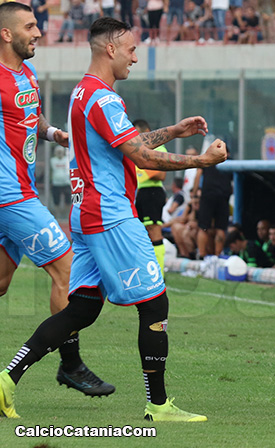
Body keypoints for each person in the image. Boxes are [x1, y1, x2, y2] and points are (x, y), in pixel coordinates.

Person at [0, 17, 228, 421]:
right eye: (131, 50)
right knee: (155, 304)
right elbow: (142, 157)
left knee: (81, 310)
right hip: (111, 216)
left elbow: (130, 143)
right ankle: (159, 405)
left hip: (86, 214)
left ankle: (6, 379)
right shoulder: (103, 99)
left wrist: (173, 131)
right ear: (110, 49)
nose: (135, 58)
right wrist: (202, 161)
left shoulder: (82, 93)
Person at [0, 2, 115, 407]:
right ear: (6, 33)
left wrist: (53, 134)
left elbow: (31, 116)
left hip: (18, 191)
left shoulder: (25, 72)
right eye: (30, 26)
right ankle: (71, 363)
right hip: (11, 196)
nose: (39, 32)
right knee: (68, 270)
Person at [133, 119, 169, 274]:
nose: (136, 137)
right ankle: (146, 271)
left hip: (152, 192)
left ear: (147, 131)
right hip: (141, 193)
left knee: (154, 230)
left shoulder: (158, 147)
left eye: (138, 133)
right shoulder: (135, 149)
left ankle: (159, 274)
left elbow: (161, 174)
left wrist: (142, 169)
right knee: (141, 232)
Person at [193, 146, 232, 258]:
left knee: (203, 227)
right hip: (223, 196)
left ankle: (201, 255)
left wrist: (195, 195)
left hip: (208, 195)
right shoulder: (229, 162)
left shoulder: (208, 160)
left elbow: (198, 175)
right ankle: (218, 255)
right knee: (221, 228)